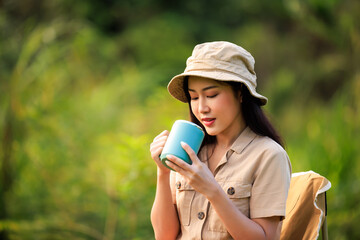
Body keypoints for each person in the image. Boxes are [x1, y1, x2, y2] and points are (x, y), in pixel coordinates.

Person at [150, 41, 292, 240]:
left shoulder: (268, 155)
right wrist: (163, 173)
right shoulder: (189, 149)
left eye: (211, 95)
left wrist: (213, 191)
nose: (201, 108)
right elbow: (164, 236)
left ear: (240, 93)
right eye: (194, 97)